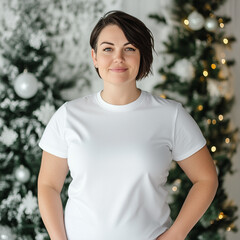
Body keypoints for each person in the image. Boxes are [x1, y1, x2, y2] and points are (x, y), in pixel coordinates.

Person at [37, 10, 218, 240]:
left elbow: (206, 178)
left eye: (129, 48)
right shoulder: (68, 116)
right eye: (108, 49)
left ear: (142, 55)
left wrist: (176, 234)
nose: (118, 58)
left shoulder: (170, 115)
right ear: (94, 56)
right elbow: (48, 185)